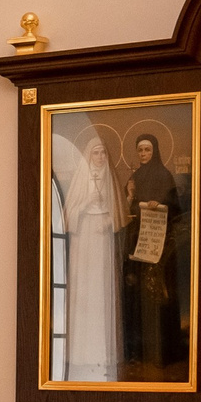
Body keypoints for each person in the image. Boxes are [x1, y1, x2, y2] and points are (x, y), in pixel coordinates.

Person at [57, 129, 123, 382]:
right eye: (95, 152)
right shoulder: (82, 178)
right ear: (88, 156)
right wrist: (86, 204)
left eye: (103, 152)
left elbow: (119, 214)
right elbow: (68, 216)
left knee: (102, 292)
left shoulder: (110, 178)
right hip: (84, 239)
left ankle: (103, 353)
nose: (100, 156)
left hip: (102, 239)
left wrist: (109, 222)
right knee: (85, 291)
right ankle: (82, 353)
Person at [122, 131, 187, 375]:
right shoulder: (135, 177)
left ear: (155, 151)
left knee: (159, 294)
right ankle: (139, 352)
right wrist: (130, 195)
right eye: (140, 150)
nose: (143, 154)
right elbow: (125, 209)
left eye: (147, 150)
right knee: (138, 295)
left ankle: (163, 351)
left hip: (160, 245)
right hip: (138, 242)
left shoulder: (165, 175)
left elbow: (177, 211)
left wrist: (159, 206)